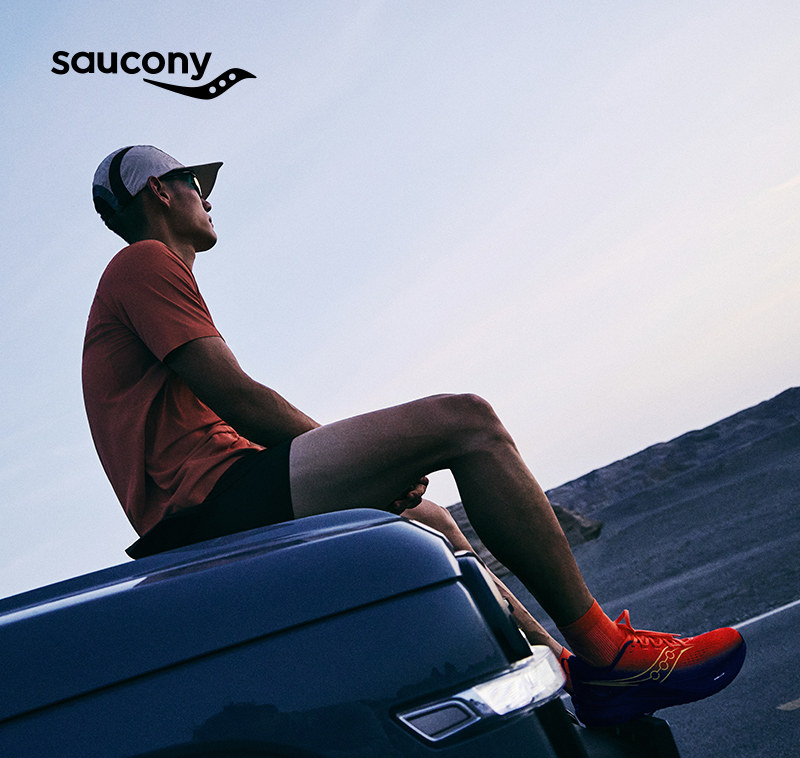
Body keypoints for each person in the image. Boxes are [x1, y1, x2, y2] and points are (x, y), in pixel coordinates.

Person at [84, 145, 745, 727]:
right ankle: (610, 653)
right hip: (205, 509)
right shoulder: (144, 262)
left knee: (431, 521)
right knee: (468, 421)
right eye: (194, 183)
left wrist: (379, 483)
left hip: (216, 499)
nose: (206, 198)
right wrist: (378, 471)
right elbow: (240, 396)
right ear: (159, 191)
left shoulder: (150, 276)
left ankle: (573, 678)